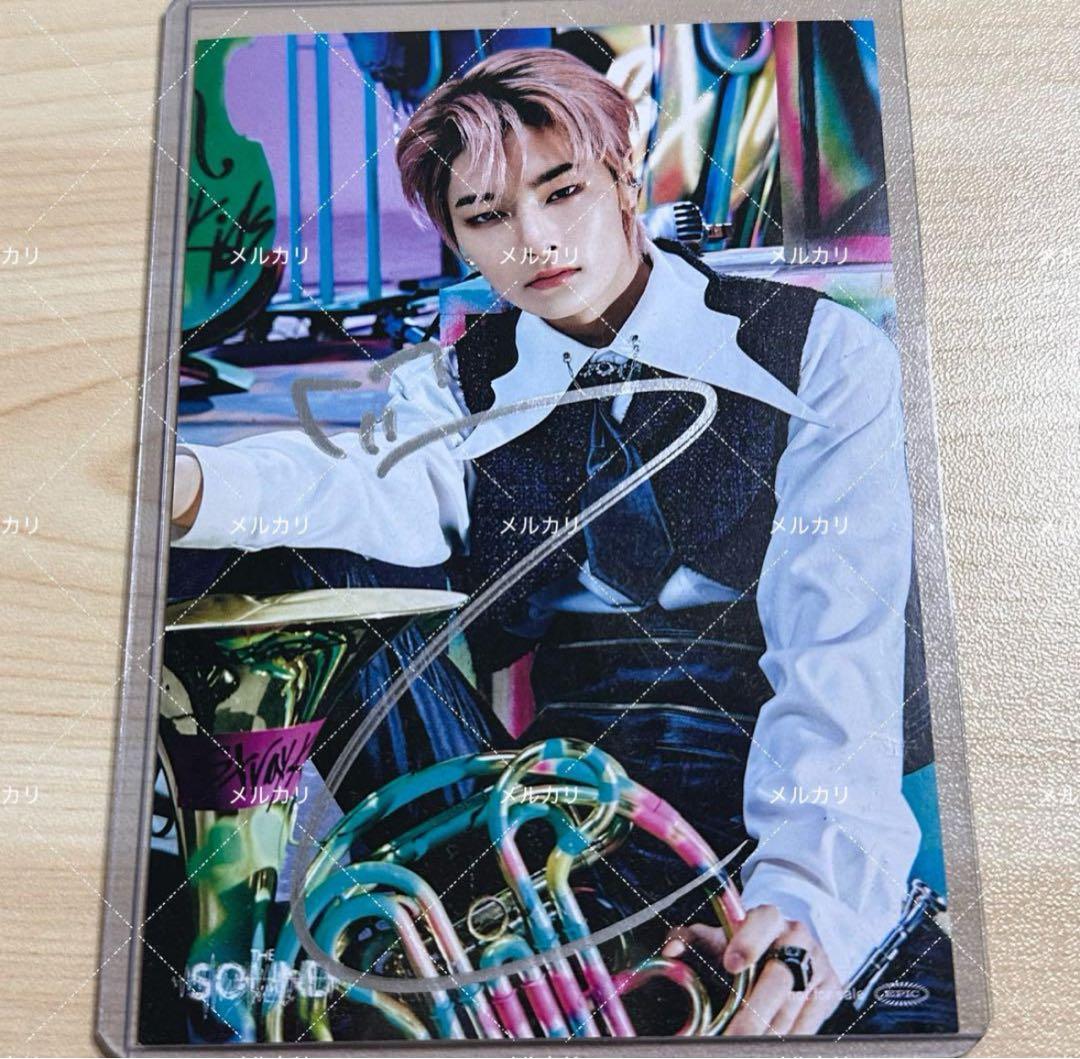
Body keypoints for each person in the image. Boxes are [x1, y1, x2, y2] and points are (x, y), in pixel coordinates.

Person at [171, 47, 941, 1037]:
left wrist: (807, 903)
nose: (533, 240)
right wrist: (181, 483)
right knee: (321, 555)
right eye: (485, 215)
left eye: (561, 191)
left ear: (623, 176)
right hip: (540, 815)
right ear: (459, 238)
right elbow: (346, 476)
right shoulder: (459, 383)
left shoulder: (821, 354)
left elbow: (839, 654)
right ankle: (263, 959)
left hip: (759, 800)